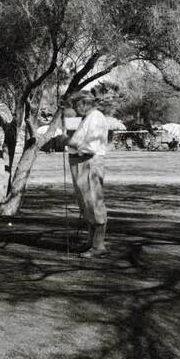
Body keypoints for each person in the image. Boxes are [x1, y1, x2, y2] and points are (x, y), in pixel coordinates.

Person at [65, 91, 111, 257]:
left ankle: (98, 246)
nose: (75, 110)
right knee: (85, 203)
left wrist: (68, 142)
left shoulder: (96, 117)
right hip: (81, 161)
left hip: (90, 162)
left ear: (84, 103)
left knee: (93, 202)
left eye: (76, 105)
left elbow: (90, 146)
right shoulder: (87, 118)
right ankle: (91, 242)